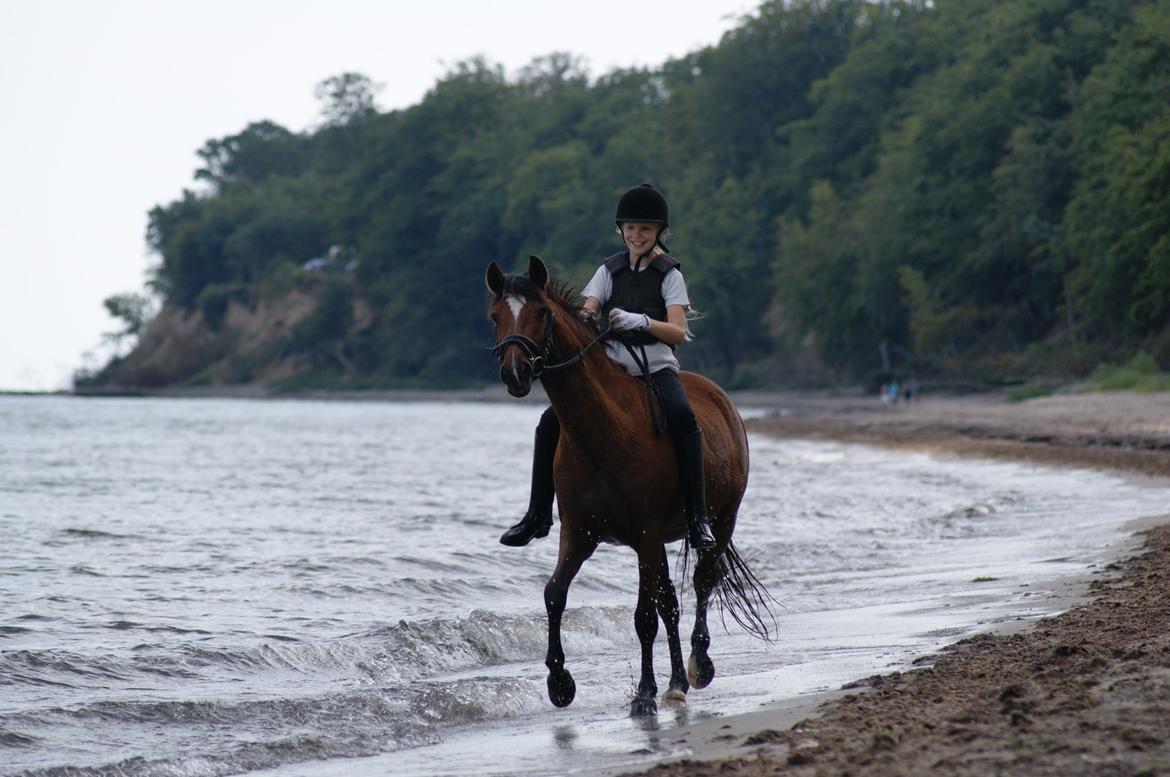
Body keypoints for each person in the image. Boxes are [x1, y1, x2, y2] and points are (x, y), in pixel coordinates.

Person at [499, 183, 717, 552]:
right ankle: (538, 514)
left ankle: (697, 520)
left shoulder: (669, 275)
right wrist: (586, 322)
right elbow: (587, 312)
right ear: (621, 230)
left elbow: (678, 331)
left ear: (659, 232)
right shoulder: (608, 270)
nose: (636, 235)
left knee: (683, 416)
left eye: (644, 229)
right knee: (550, 421)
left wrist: (642, 322)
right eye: (630, 228)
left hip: (657, 368)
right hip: (613, 369)